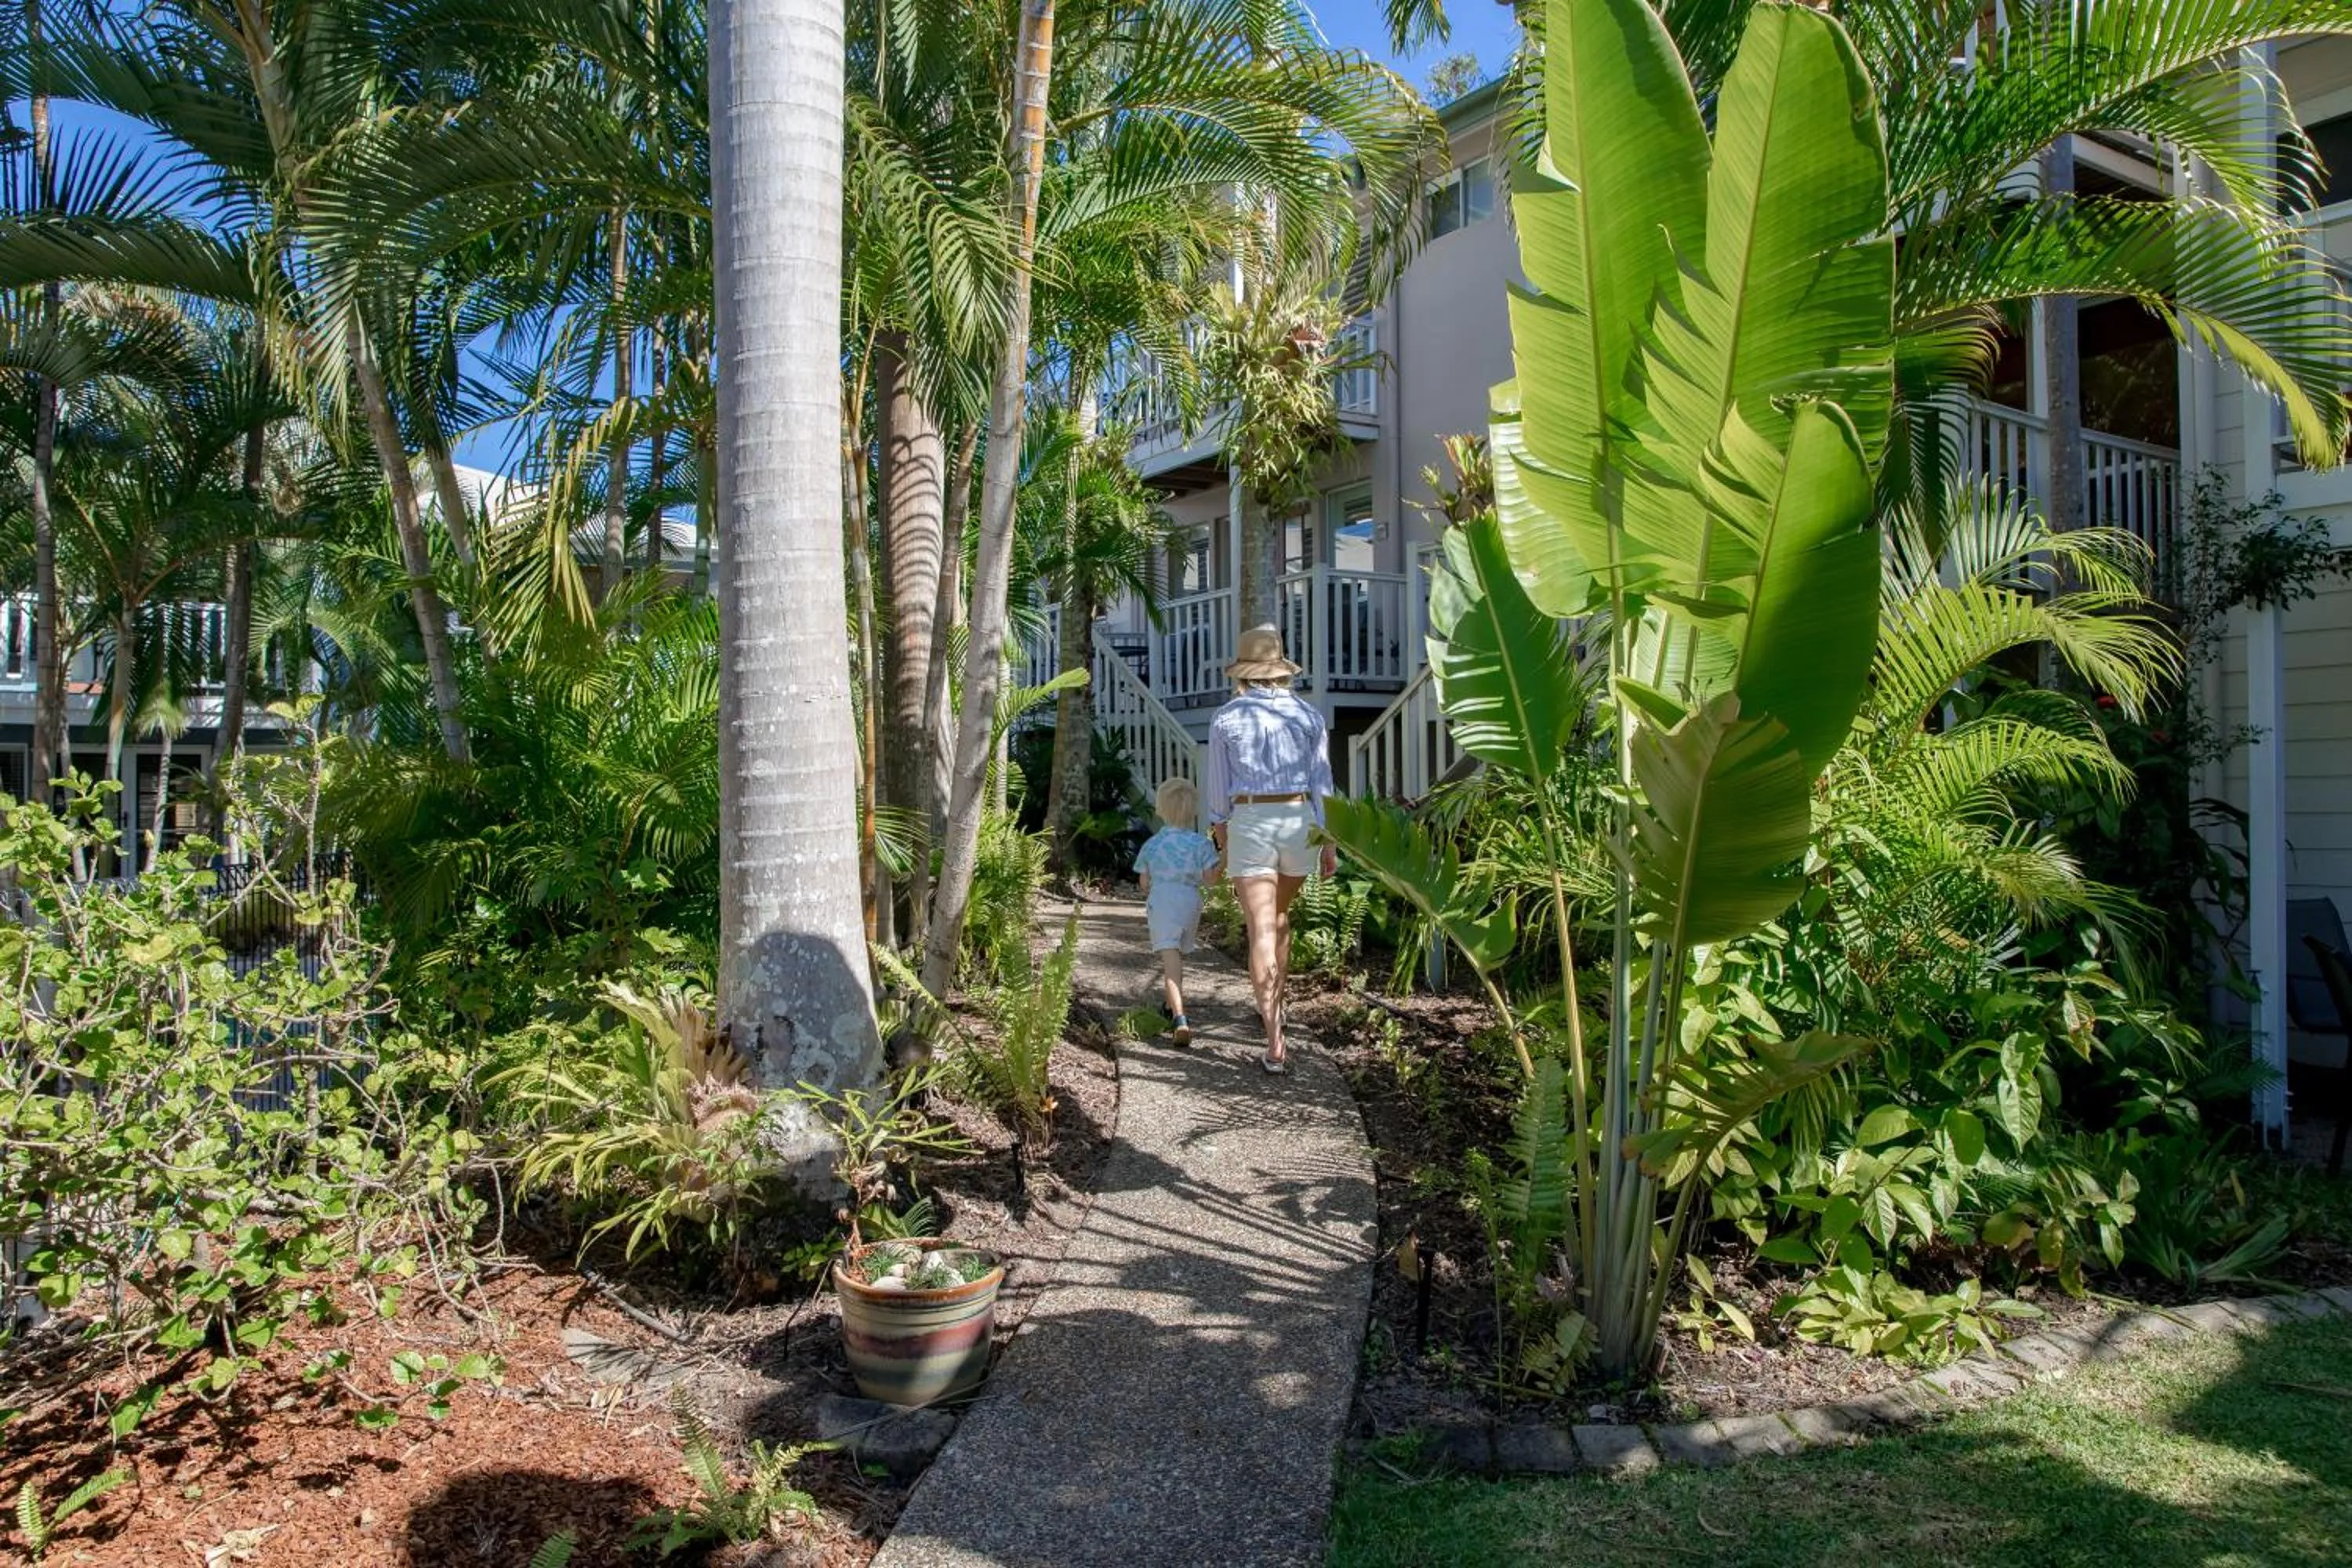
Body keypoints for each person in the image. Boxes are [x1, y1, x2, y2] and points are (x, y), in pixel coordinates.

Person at [1203, 624, 1334, 1074]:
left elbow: (1218, 800)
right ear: (1281, 671)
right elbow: (1323, 785)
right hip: (1299, 820)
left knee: (1261, 926)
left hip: (1252, 819)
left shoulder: (1226, 718)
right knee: (1279, 918)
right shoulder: (1309, 716)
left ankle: (1275, 1037)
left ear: (1242, 673)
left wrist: (1223, 847)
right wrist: (1329, 843)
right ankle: (1277, 1011)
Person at [1132, 775, 1221, 1045]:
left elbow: (1144, 884)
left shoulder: (1152, 845)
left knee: (1170, 962)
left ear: (1160, 808)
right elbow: (1211, 880)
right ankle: (1169, 1005)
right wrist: (1225, 857)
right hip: (1190, 902)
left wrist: (1153, 886)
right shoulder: (1202, 844)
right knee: (1177, 957)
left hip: (1163, 901)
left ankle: (1179, 1019)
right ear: (1193, 810)